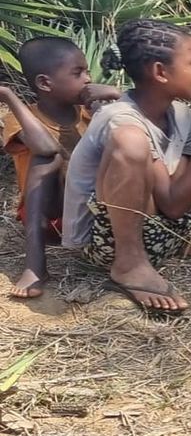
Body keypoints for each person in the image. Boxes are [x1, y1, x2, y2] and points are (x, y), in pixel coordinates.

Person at [61, 21, 191, 313]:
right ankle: (130, 264)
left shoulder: (178, 112)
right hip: (109, 240)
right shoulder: (121, 119)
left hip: (166, 228)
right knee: (131, 142)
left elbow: (178, 197)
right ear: (160, 72)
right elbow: (173, 205)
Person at [3, 36, 119, 298]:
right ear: (45, 83)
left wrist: (114, 98)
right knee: (50, 159)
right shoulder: (19, 118)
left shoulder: (90, 113)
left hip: (93, 212)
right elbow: (45, 148)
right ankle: (35, 265)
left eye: (87, 71)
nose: (88, 79)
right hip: (51, 218)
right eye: (78, 73)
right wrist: (9, 98)